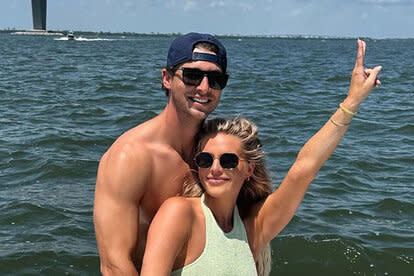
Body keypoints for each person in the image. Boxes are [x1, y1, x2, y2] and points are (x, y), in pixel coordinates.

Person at [140, 39, 382, 275]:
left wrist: (352, 101)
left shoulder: (253, 228)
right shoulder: (179, 214)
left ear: (248, 169)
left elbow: (305, 167)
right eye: (205, 160)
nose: (215, 168)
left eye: (228, 161)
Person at [93, 32, 229, 275]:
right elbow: (115, 264)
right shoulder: (131, 156)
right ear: (167, 78)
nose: (204, 88)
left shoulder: (218, 151)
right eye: (192, 76)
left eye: (215, 79)